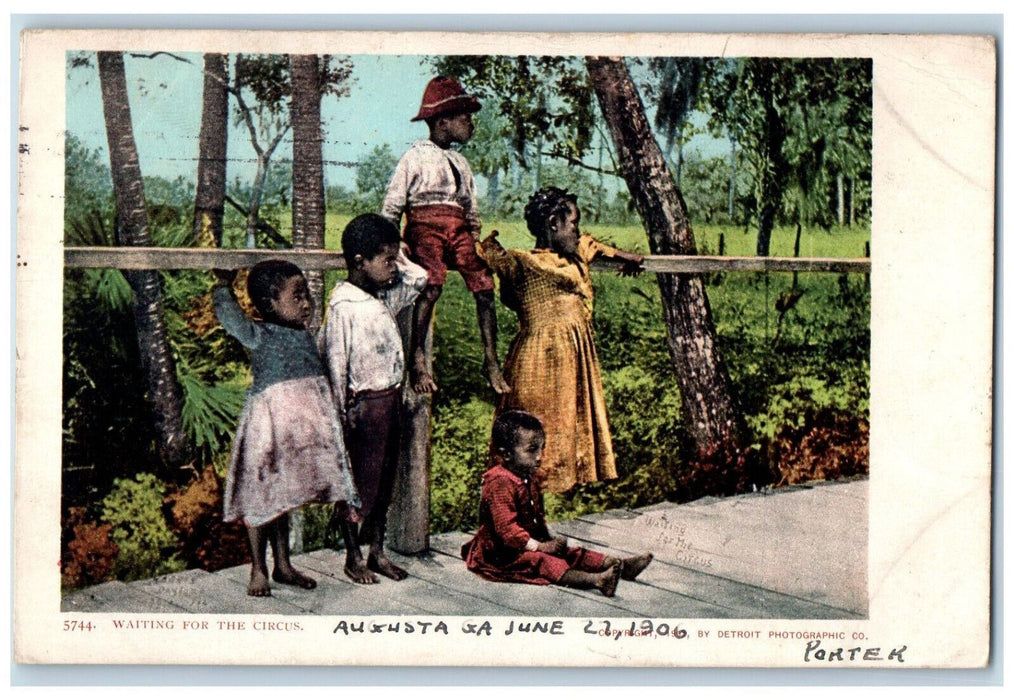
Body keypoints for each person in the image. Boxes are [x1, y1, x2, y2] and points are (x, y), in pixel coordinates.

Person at [477, 187, 644, 493]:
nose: (578, 232)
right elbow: (484, 263)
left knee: (567, 431)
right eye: (574, 224)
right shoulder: (521, 263)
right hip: (536, 362)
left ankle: (544, 504)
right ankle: (517, 508)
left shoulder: (575, 258)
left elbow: (593, 245)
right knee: (531, 438)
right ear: (554, 224)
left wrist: (626, 256)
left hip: (572, 365)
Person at [212, 261, 362, 597]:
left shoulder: (304, 334)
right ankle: (258, 568)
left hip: (300, 432)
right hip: (270, 430)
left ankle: (283, 566)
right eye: (297, 296)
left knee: (283, 496)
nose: (307, 303)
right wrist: (223, 286)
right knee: (261, 497)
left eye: (307, 294)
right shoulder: (259, 334)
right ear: (269, 304)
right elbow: (231, 319)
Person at [318, 213, 429, 584]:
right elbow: (336, 364)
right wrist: (339, 415)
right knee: (356, 484)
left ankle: (377, 552)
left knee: (383, 483)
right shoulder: (343, 307)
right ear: (359, 262)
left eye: (394, 259)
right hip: (361, 408)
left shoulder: (384, 296)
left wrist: (400, 256)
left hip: (390, 401)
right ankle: (353, 557)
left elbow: (420, 279)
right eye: (386, 260)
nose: (393, 267)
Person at [381, 76, 508, 397]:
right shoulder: (414, 156)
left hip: (458, 230)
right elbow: (393, 204)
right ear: (442, 122)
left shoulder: (461, 163)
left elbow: (469, 207)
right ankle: (417, 357)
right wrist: (393, 241)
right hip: (424, 228)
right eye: (465, 119)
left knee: (483, 283)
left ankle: (491, 359)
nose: (471, 125)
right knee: (432, 283)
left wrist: (474, 238)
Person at [461, 410, 653, 596]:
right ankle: (598, 581)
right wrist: (540, 547)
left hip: (528, 544)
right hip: (501, 555)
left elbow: (536, 515)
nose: (539, 457)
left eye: (541, 449)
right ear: (507, 454)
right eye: (531, 450)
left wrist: (546, 539)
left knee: (571, 553)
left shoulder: (528, 476)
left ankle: (621, 565)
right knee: (545, 562)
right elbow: (507, 530)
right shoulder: (499, 482)